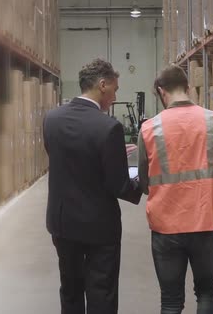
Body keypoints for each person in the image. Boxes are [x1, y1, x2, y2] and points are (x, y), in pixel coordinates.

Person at [137, 65, 213, 314]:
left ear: (161, 92)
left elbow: (143, 184)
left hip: (166, 228)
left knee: (171, 300)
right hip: (206, 223)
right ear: (188, 88)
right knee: (206, 293)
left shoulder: (150, 128)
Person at [42, 58, 142, 314]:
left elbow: (67, 159)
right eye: (115, 89)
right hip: (99, 228)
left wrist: (110, 153)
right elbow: (118, 185)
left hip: (62, 223)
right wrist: (142, 179)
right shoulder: (109, 127)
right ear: (102, 84)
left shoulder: (51, 119)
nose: (114, 96)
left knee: (71, 289)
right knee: (101, 292)